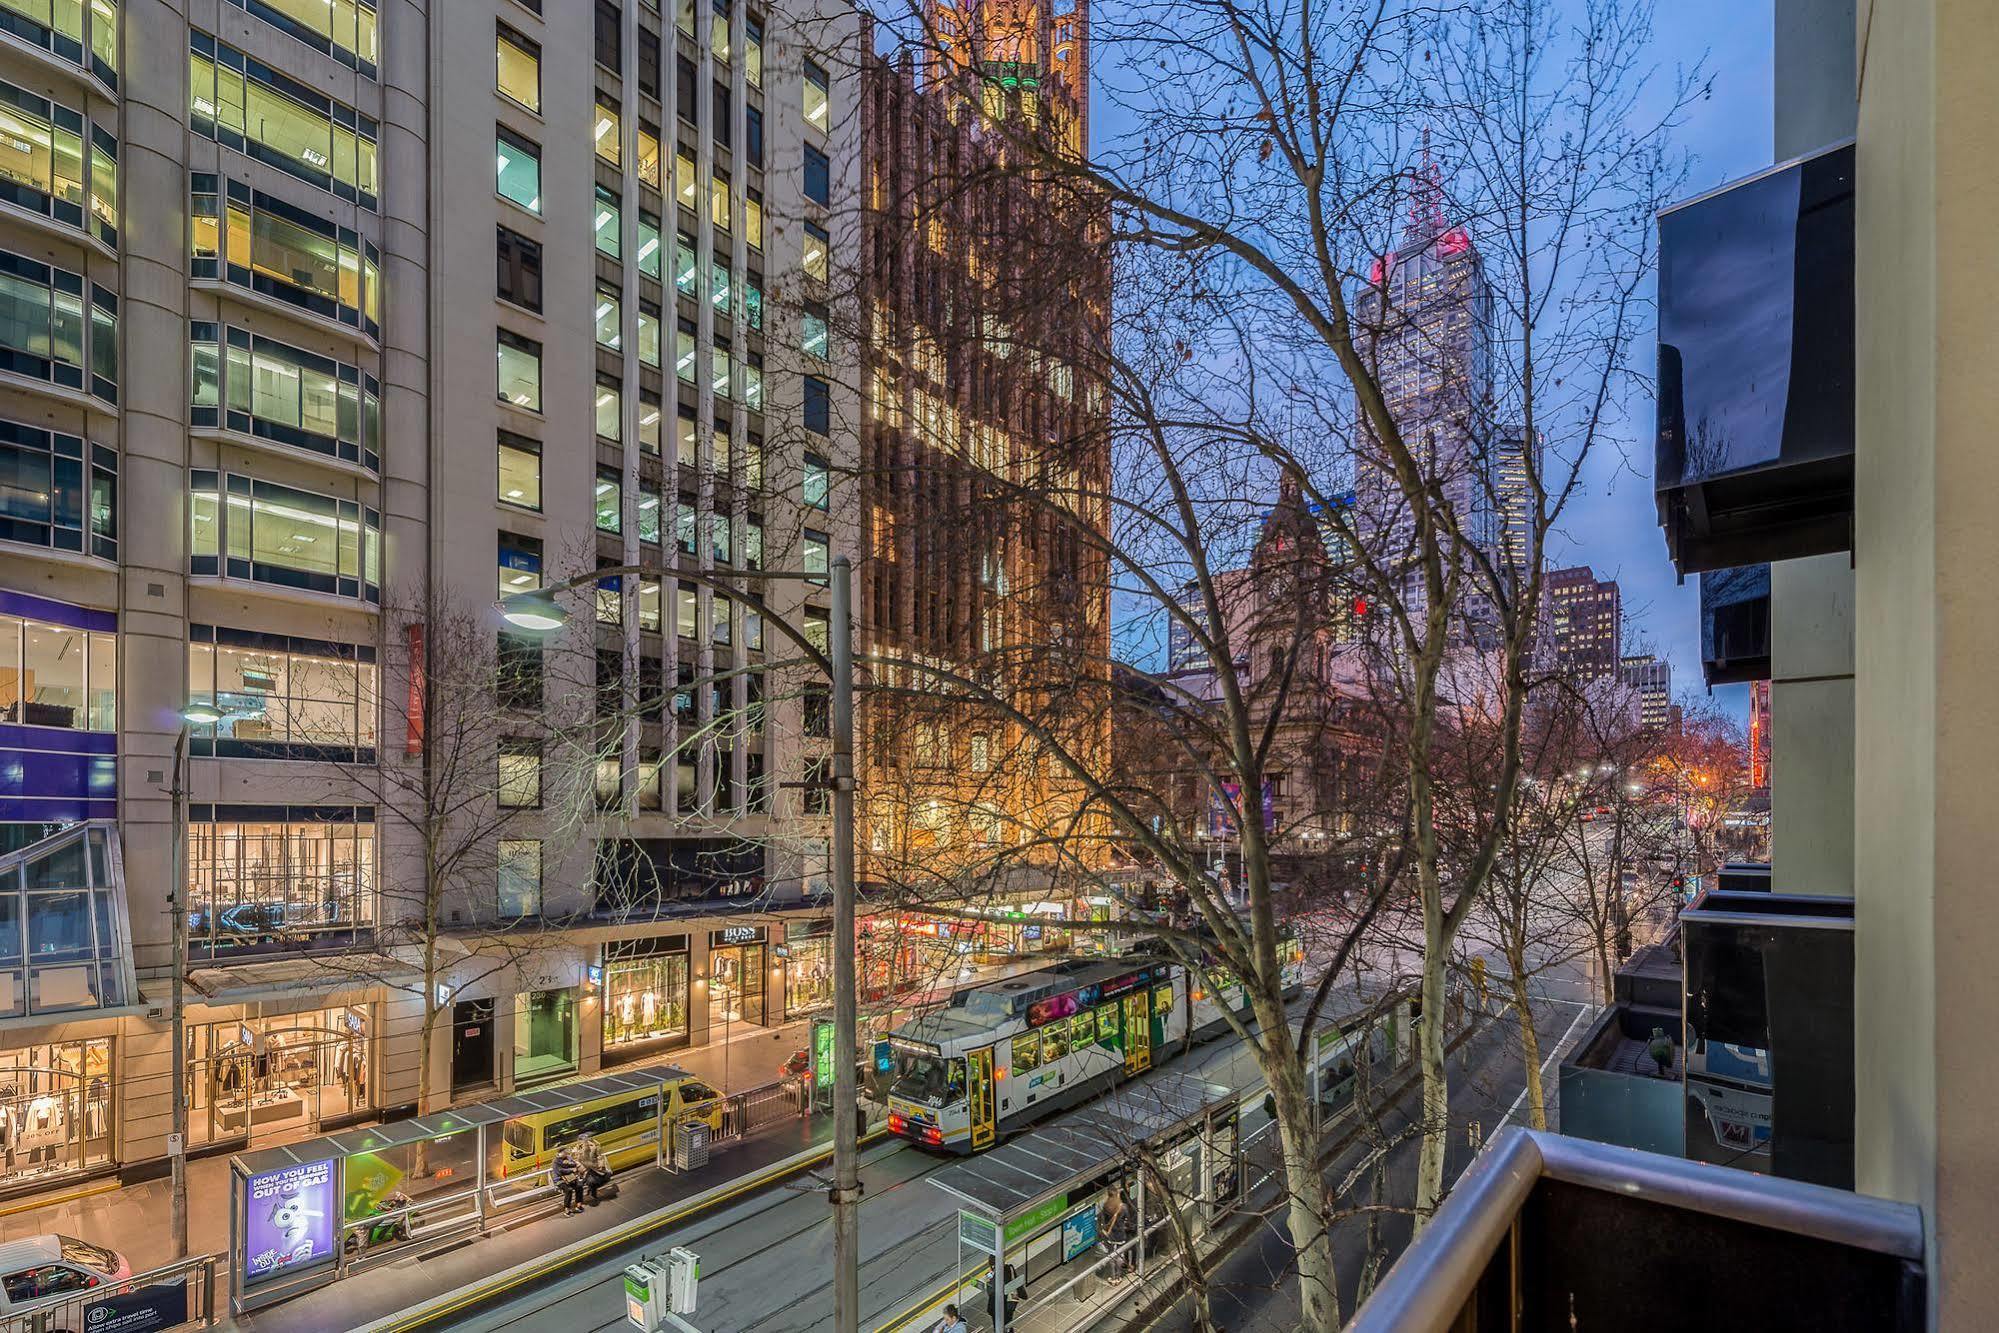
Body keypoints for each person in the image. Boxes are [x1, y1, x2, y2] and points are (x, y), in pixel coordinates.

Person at [576, 1133, 613, 1205]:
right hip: (584, 1169)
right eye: (582, 1140)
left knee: (600, 1179)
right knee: (589, 1182)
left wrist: (600, 1165)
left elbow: (599, 1156)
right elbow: (576, 1160)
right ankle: (591, 1195)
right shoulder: (577, 1148)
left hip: (594, 1168)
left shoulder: (593, 1146)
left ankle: (592, 1193)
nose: (584, 1141)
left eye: (584, 1139)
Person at [551, 1144, 586, 1215]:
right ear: (561, 1152)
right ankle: (567, 1208)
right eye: (565, 1152)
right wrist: (572, 1170)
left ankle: (578, 1205)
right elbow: (560, 1171)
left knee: (579, 1186)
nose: (567, 1153)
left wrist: (574, 1164)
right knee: (568, 1190)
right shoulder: (556, 1161)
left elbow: (573, 1163)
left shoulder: (568, 1157)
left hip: (570, 1178)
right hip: (560, 1180)